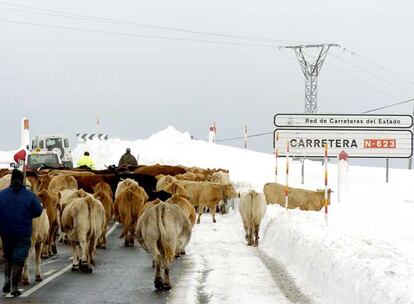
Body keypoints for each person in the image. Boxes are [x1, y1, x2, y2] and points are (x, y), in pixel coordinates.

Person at [0, 169, 43, 297]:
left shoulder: (2, 194)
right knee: (18, 260)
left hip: (6, 233)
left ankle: (7, 281)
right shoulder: (29, 196)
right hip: (23, 233)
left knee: (8, 257)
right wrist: (27, 214)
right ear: (23, 180)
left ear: (11, 180)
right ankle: (14, 287)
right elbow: (38, 211)